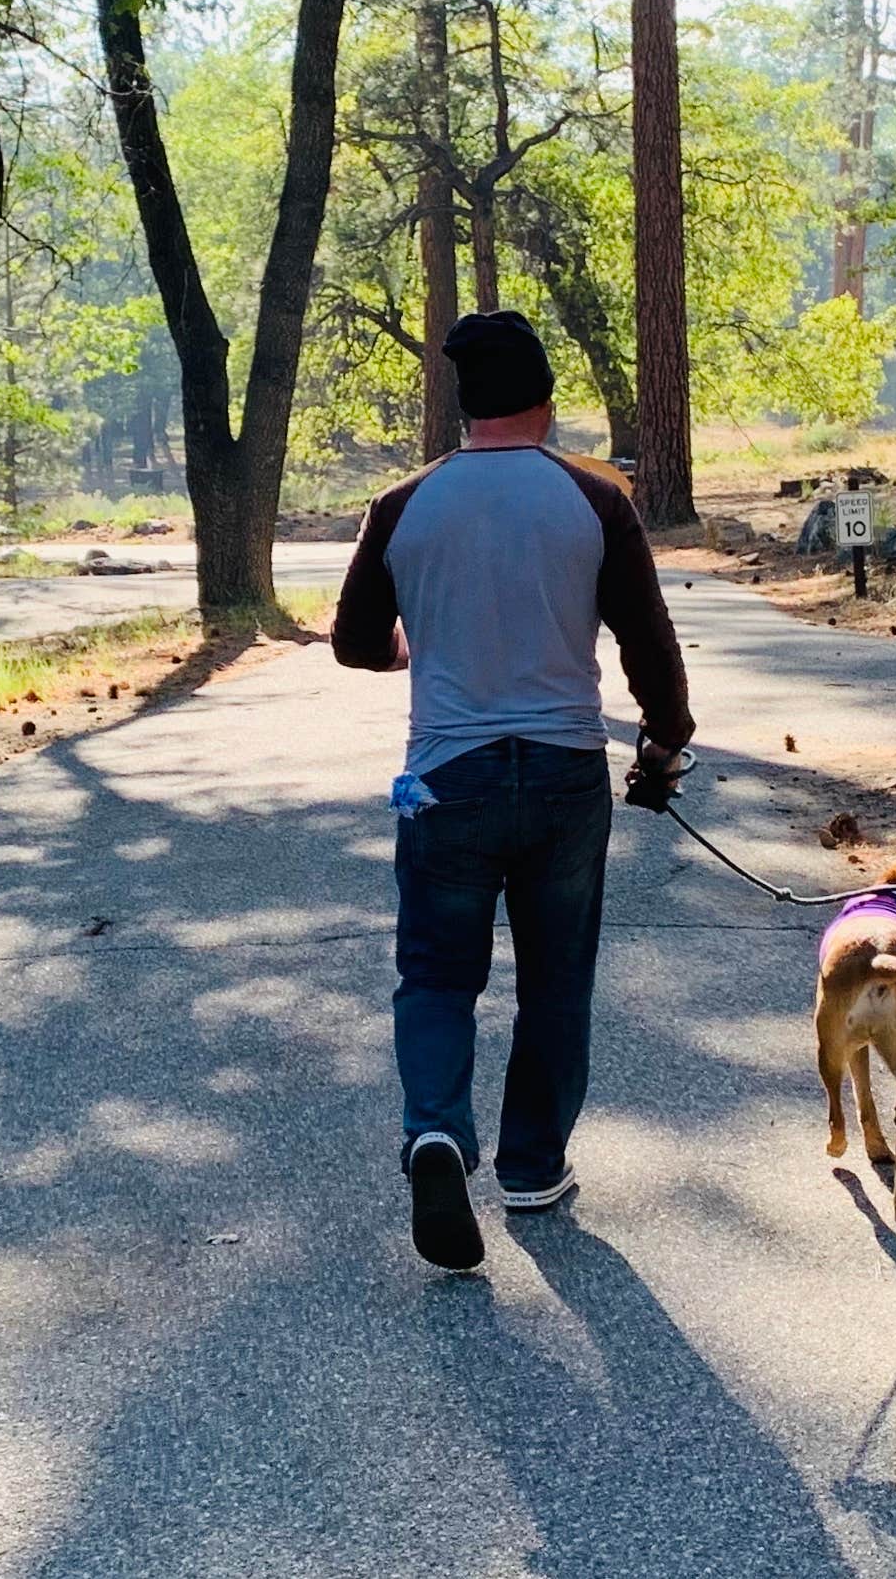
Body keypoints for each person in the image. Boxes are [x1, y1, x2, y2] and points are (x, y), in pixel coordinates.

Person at [331, 310, 695, 1271]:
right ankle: (533, 1167)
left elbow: (356, 642)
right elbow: (648, 644)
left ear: (464, 408)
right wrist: (664, 744)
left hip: (446, 776)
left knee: (438, 973)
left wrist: (408, 646)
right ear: (542, 400)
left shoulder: (403, 503)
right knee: (555, 979)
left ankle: (437, 1136)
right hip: (567, 771)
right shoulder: (594, 499)